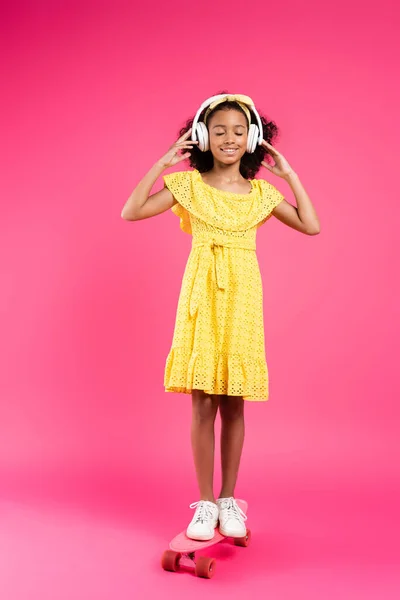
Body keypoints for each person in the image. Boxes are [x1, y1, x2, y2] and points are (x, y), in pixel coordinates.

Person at [121, 92, 320, 542]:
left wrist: (289, 175)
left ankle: (229, 499)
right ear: (201, 137)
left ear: (251, 138)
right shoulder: (188, 187)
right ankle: (205, 502)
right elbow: (131, 211)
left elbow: (311, 224)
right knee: (202, 400)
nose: (228, 139)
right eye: (218, 130)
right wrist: (163, 163)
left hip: (243, 299)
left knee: (234, 402)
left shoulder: (262, 194)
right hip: (201, 294)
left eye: (237, 131)